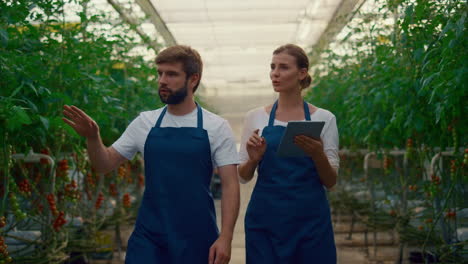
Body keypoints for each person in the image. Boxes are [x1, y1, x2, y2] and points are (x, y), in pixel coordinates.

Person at [63, 45, 240, 264]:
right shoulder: (145, 122)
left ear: (193, 79)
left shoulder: (216, 126)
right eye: (160, 73)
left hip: (197, 235)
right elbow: (104, 164)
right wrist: (92, 137)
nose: (162, 80)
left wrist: (226, 237)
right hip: (150, 235)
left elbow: (231, 184)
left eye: (172, 74)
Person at [238, 44, 339, 263]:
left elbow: (331, 181)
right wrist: (253, 159)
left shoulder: (324, 118)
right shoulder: (255, 118)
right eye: (273, 67)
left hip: (310, 220)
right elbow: (242, 176)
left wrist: (318, 154)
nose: (275, 73)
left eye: (283, 67)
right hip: (266, 218)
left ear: (302, 73)